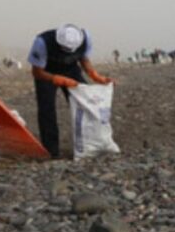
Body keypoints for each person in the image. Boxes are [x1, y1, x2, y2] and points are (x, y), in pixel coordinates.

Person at [28, 24, 113, 158]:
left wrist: (94, 75)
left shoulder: (85, 38)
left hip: (71, 70)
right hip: (47, 73)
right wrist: (57, 79)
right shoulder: (42, 42)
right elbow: (37, 72)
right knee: (47, 110)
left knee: (87, 104)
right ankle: (51, 151)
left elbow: (84, 58)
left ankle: (90, 144)